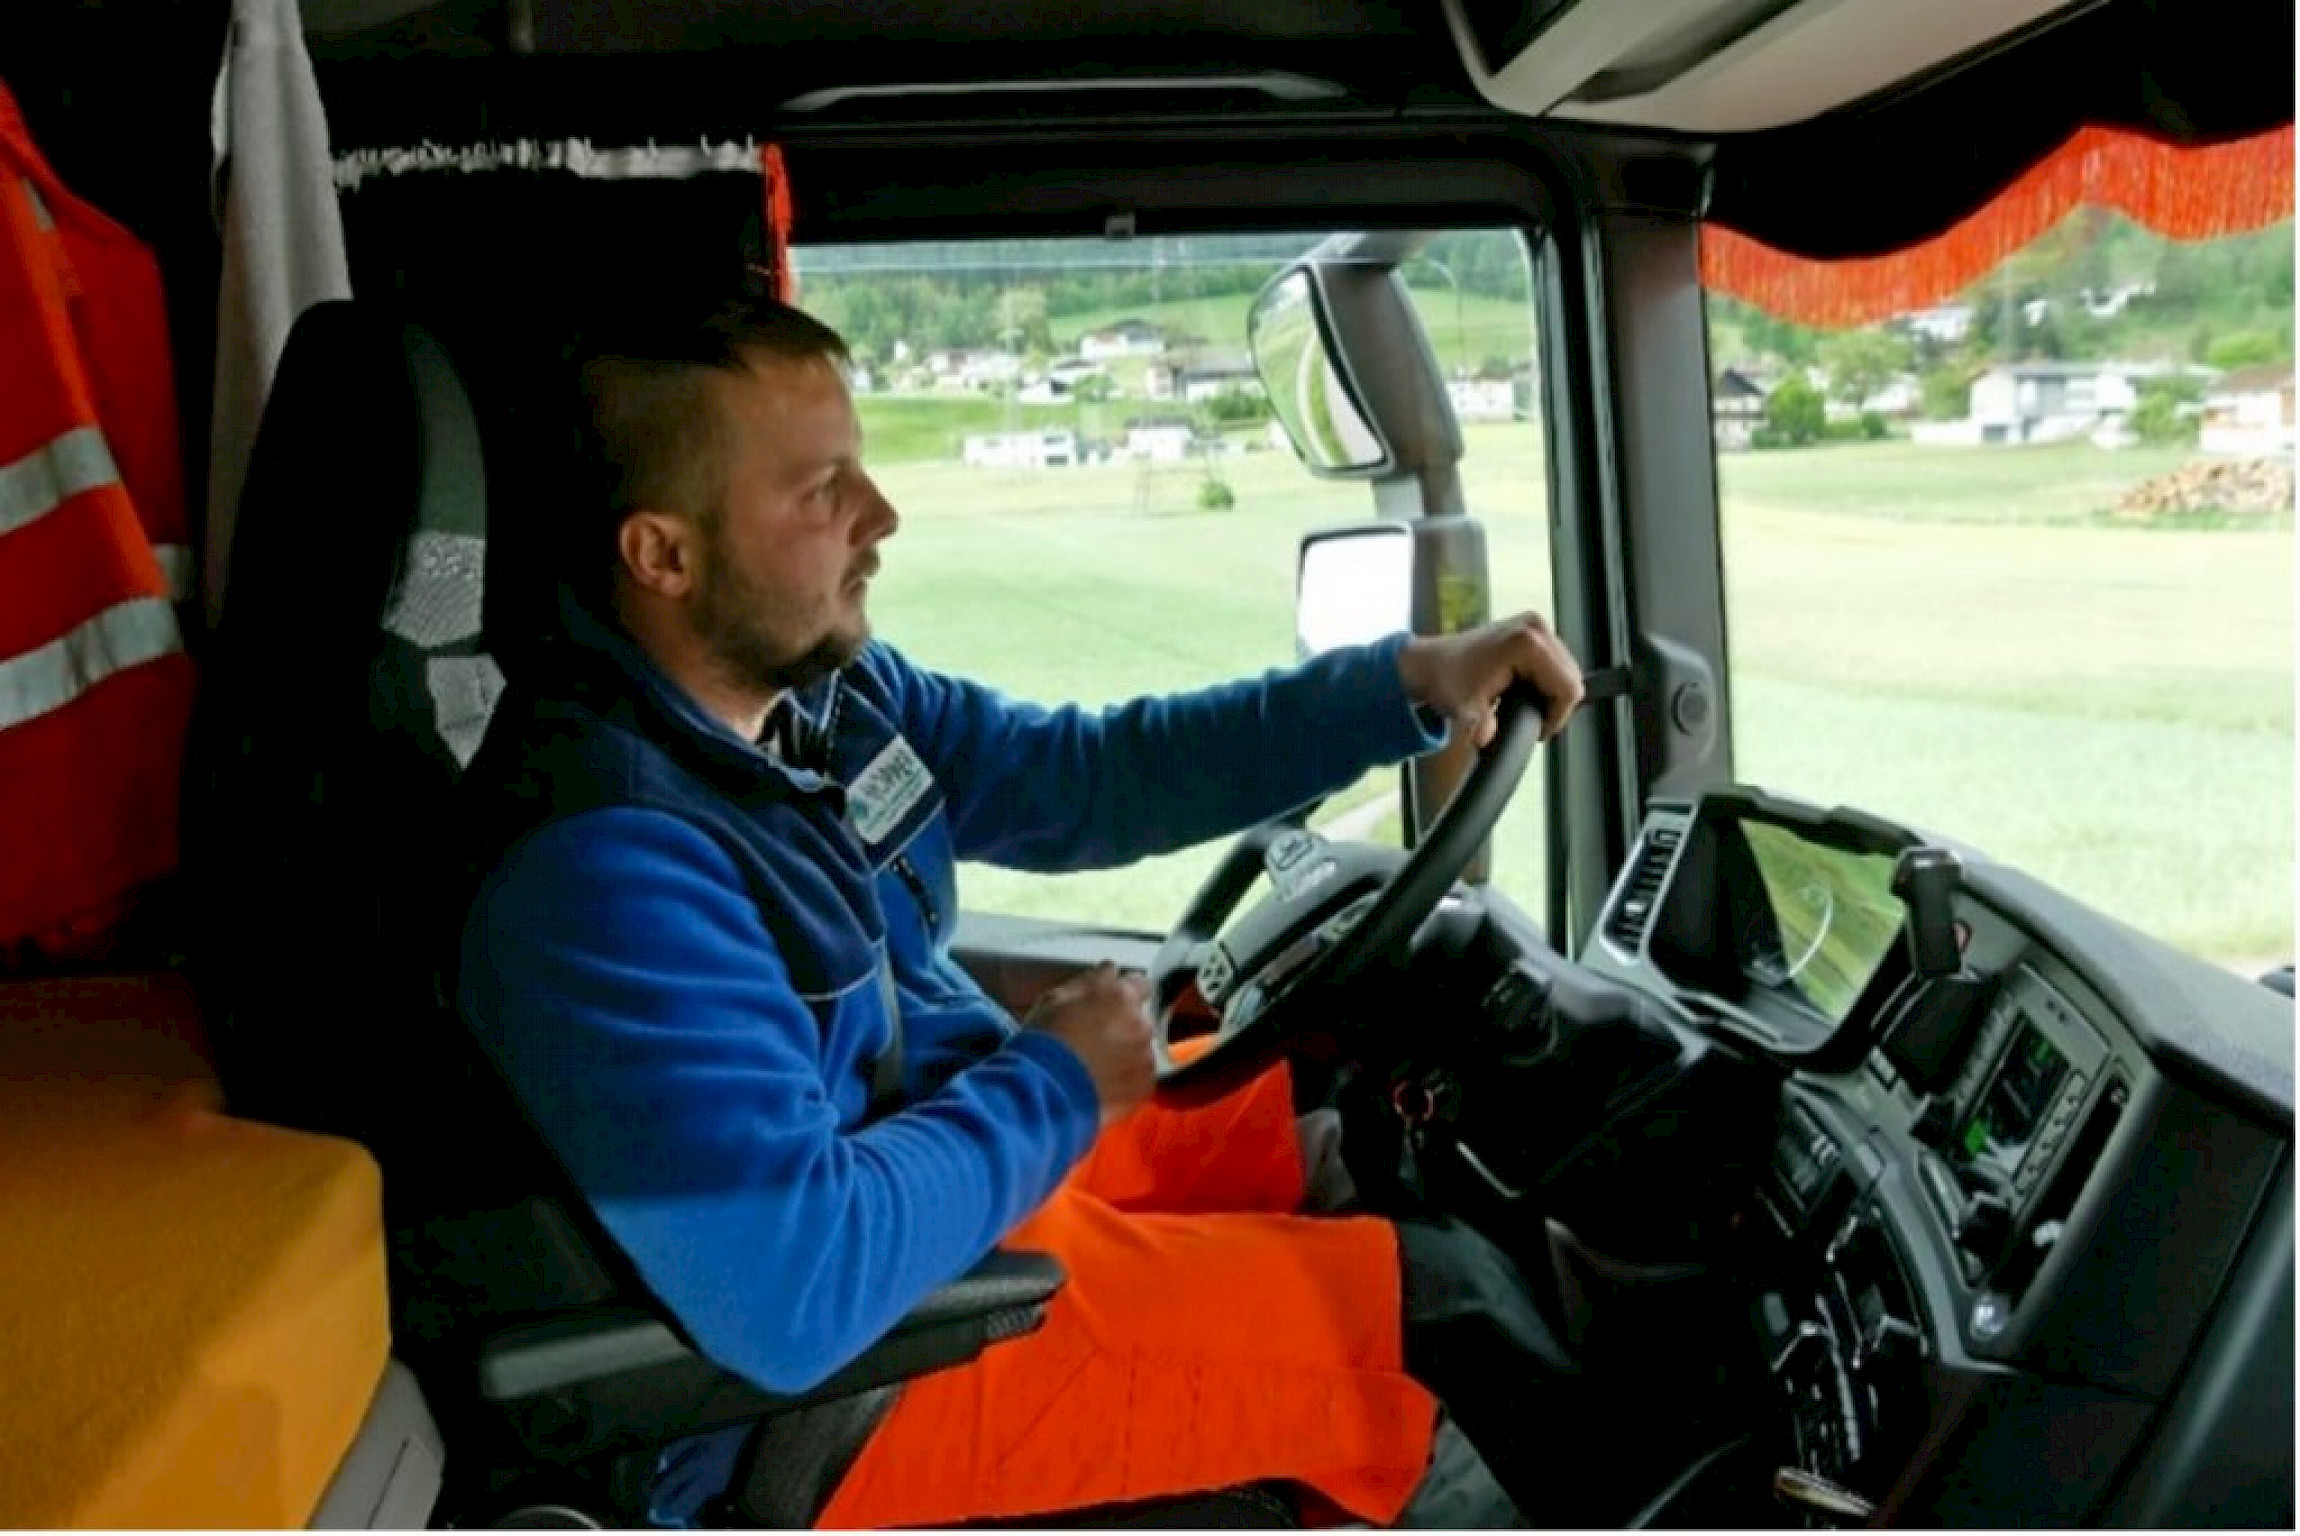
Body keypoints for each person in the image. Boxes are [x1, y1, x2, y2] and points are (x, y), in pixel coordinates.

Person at [454, 296, 1599, 1529]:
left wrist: (1395, 688)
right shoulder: (606, 871)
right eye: (819, 491)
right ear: (662, 556)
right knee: (1428, 1321)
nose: (879, 520)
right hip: (838, 1393)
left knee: (1332, 1118)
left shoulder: (821, 698)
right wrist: (1054, 1083)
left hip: (939, 1181)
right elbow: (794, 1283)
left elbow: (1083, 775)